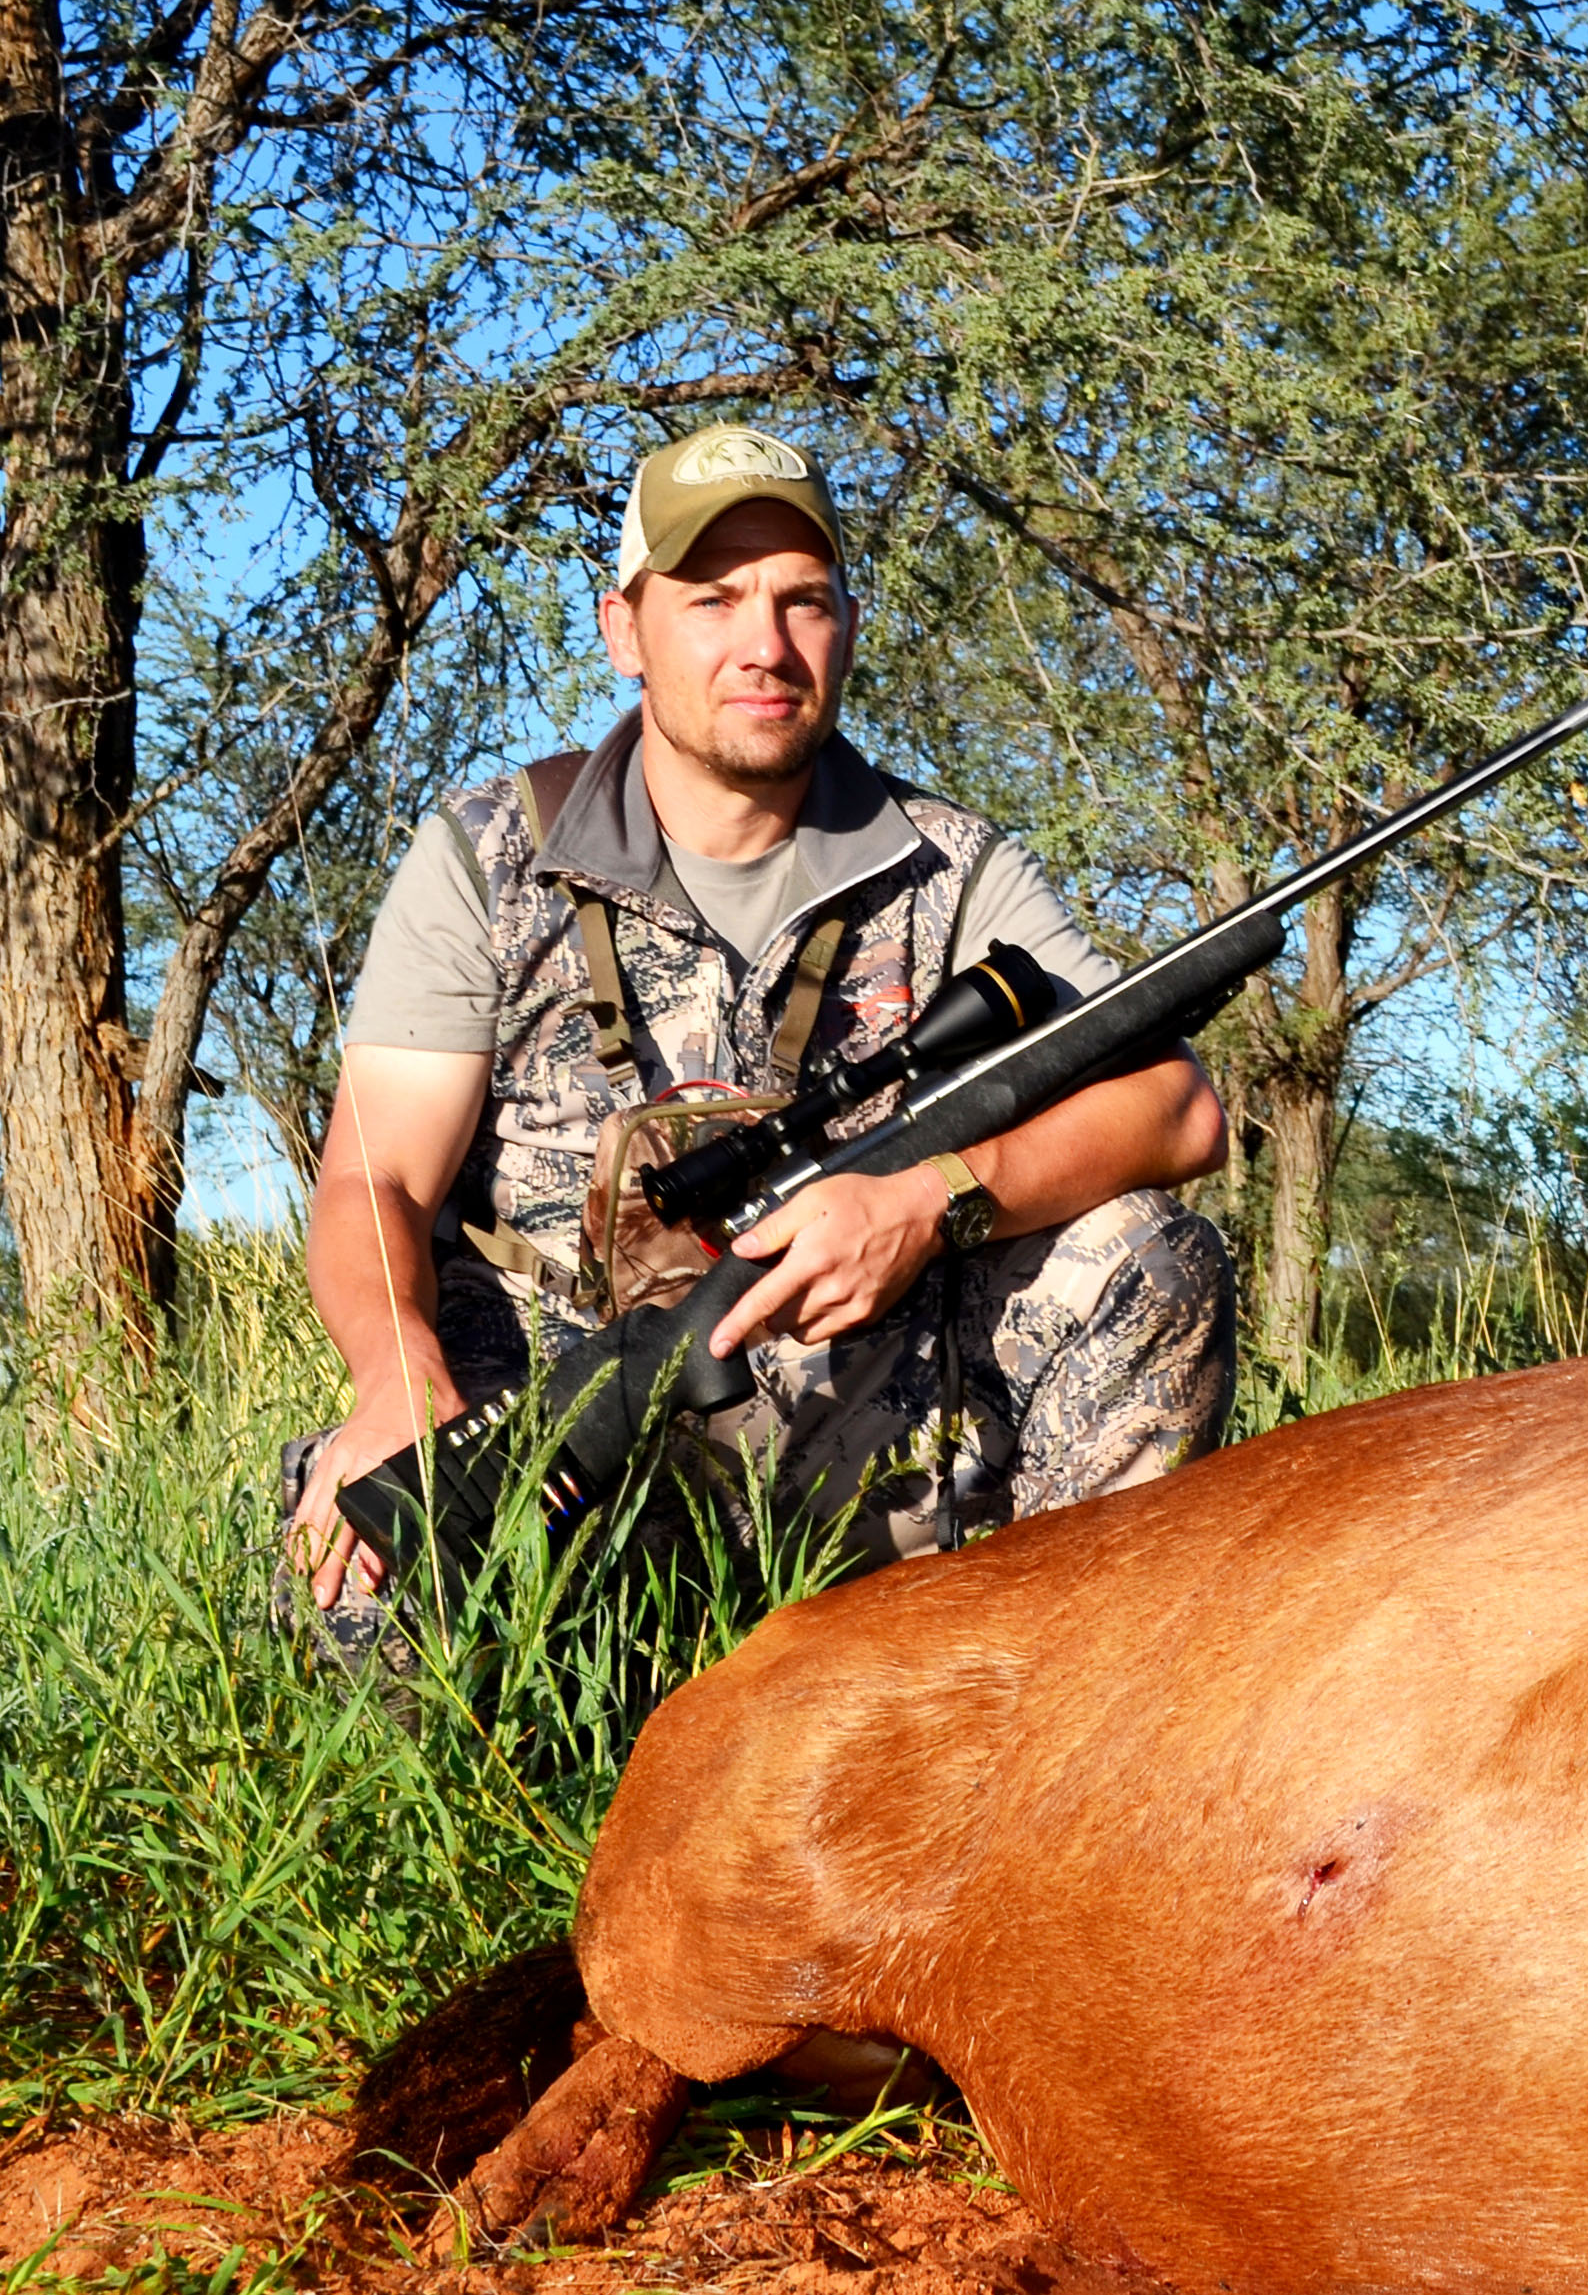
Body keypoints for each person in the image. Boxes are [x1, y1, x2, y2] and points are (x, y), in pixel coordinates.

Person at [278, 423, 1234, 1692]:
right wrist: (396, 1380)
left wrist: (930, 1198)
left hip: (877, 1466)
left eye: (802, 601)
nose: (764, 644)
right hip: (560, 1442)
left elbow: (1177, 1109)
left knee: (1150, 1254)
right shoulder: (485, 856)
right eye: (713, 598)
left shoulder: (954, 864)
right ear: (624, 629)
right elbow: (376, 1181)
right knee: (369, 1586)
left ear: (844, 626)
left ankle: (1063, 1721)